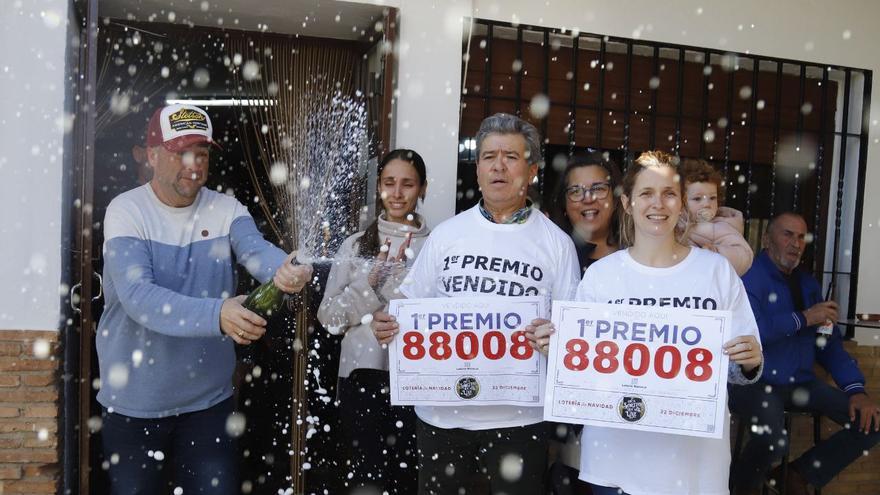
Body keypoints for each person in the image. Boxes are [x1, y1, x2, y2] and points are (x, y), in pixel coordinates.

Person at [96, 104, 313, 495]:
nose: (193, 164)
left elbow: (256, 251)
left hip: (208, 405)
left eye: (202, 153)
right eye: (181, 152)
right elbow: (139, 297)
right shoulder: (126, 211)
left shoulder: (226, 208)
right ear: (152, 154)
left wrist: (288, 269)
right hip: (134, 406)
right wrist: (219, 314)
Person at [371, 113, 580, 494]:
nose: (498, 165)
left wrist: (557, 337)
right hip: (442, 414)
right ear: (478, 170)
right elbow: (409, 306)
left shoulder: (557, 244)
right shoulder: (448, 235)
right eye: (488, 156)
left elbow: (572, 330)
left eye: (511, 157)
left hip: (520, 415)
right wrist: (387, 321)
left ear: (531, 170)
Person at [533, 150, 763, 495]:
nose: (659, 204)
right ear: (627, 202)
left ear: (682, 202)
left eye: (669, 193)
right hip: (616, 462)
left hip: (695, 465)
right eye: (646, 193)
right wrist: (556, 349)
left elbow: (740, 369)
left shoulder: (716, 272)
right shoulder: (601, 276)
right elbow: (581, 371)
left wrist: (750, 362)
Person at [730, 212, 880, 495]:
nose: (795, 243)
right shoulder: (748, 279)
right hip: (755, 382)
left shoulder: (808, 284)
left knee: (870, 424)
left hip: (800, 383)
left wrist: (856, 389)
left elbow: (828, 344)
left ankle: (793, 476)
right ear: (766, 239)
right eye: (787, 234)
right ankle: (740, 488)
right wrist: (804, 317)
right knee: (774, 441)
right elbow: (752, 334)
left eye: (801, 237)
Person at [317, 149, 430, 494]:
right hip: (361, 377)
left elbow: (446, 317)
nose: (397, 194)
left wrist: (403, 325)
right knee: (366, 478)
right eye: (389, 183)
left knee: (409, 477)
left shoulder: (438, 245)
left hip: (417, 377)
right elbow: (329, 318)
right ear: (378, 186)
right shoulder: (355, 245)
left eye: (407, 184)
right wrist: (369, 291)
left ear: (423, 189)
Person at [547, 151, 622, 494]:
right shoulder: (553, 255)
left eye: (598, 188)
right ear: (564, 202)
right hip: (571, 412)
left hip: (628, 405)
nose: (587, 199)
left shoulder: (641, 252)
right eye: (575, 191)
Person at [680, 158, 753, 276]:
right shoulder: (673, 224)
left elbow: (744, 256)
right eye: (697, 199)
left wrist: (717, 253)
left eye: (712, 198)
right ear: (680, 202)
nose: (707, 204)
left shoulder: (720, 226)